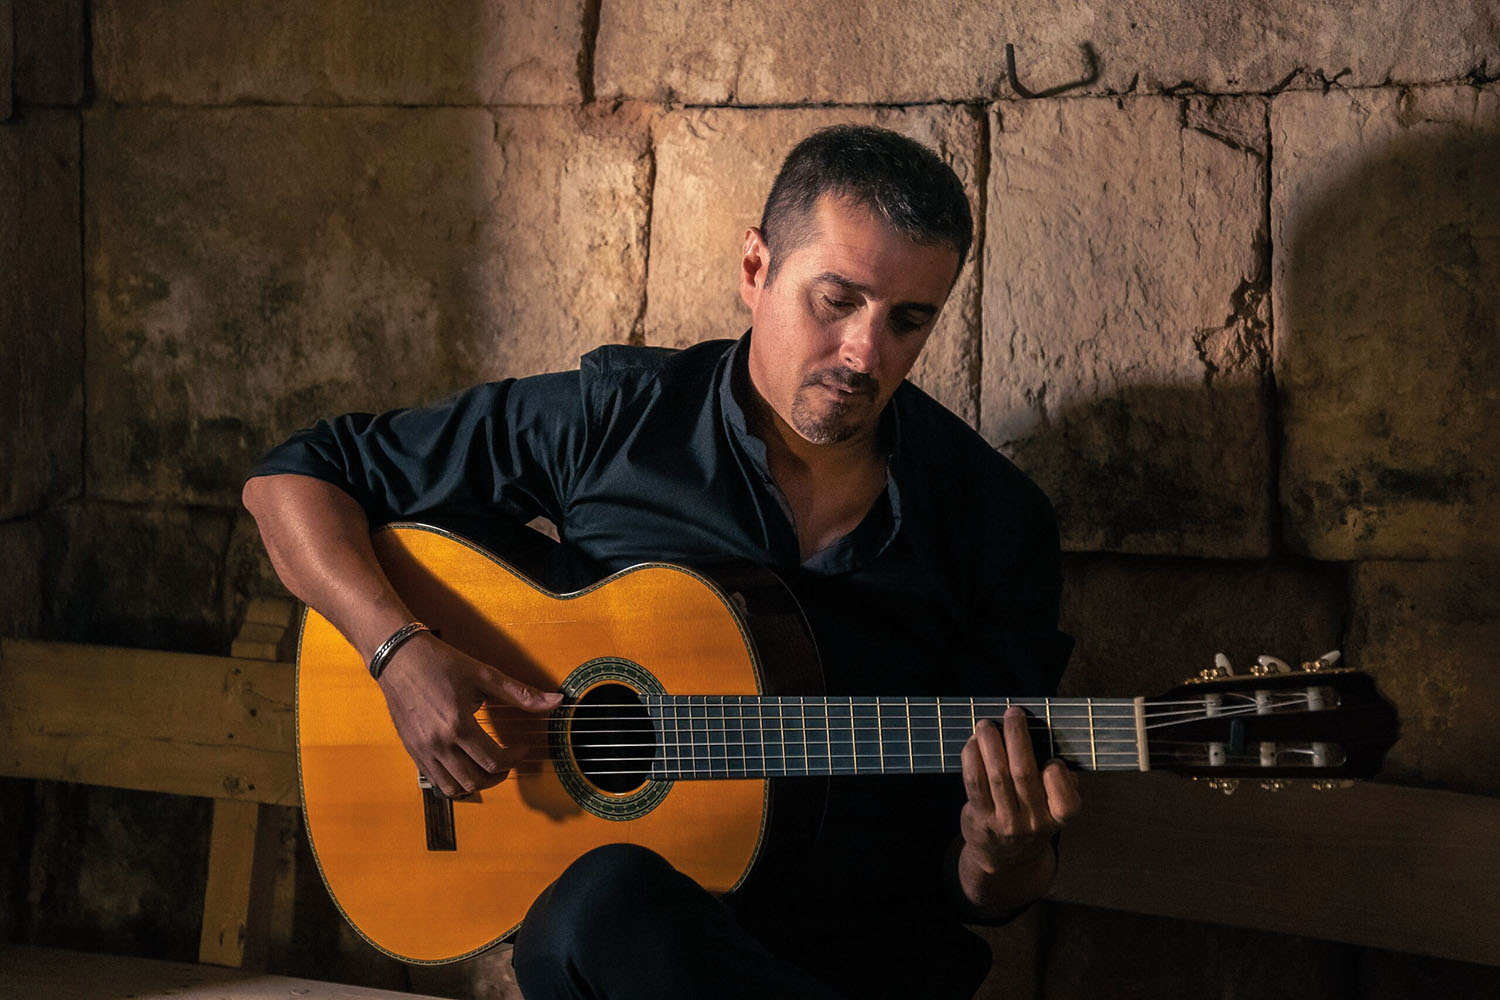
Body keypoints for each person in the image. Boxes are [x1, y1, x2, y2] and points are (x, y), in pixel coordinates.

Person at [244, 124, 1081, 999]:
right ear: (756, 269)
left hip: (863, 970)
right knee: (595, 907)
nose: (866, 356)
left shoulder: (995, 521)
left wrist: (1001, 850)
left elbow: (987, 886)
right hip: (630, 949)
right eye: (837, 301)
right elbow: (291, 481)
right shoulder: (619, 421)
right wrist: (397, 651)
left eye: (910, 321)